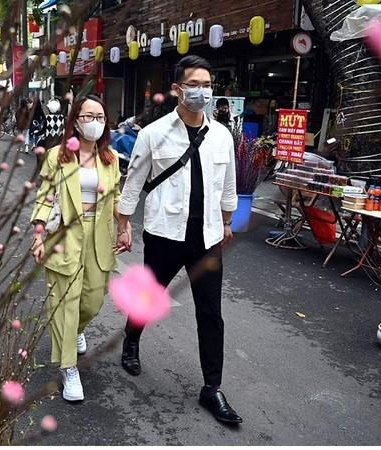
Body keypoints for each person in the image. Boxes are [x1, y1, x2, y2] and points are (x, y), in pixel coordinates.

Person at [116, 55, 242, 424]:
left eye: (207, 84)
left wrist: (227, 221)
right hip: (164, 234)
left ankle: (212, 389)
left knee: (211, 313)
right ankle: (132, 339)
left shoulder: (221, 135)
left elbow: (228, 183)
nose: (201, 91)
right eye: (194, 84)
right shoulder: (152, 134)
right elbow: (134, 183)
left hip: (206, 237)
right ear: (177, 90)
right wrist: (124, 224)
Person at [30, 94, 122, 402]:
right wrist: (38, 235)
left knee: (92, 301)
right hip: (65, 236)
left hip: (98, 237)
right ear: (76, 121)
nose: (94, 123)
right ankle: (69, 368)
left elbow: (117, 196)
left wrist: (125, 226)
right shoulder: (58, 155)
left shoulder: (111, 158)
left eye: (100, 117)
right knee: (66, 304)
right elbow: (44, 196)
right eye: (87, 117)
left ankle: (73, 330)